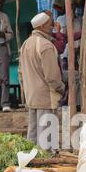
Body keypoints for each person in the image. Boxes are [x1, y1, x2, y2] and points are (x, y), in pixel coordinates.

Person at [19, 12, 65, 150]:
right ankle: (45, 165)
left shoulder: (25, 44)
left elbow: (20, 73)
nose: (52, 26)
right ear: (43, 25)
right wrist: (62, 89)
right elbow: (52, 77)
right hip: (47, 97)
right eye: (50, 23)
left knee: (32, 137)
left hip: (31, 96)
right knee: (47, 140)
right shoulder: (45, 45)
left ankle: (30, 164)